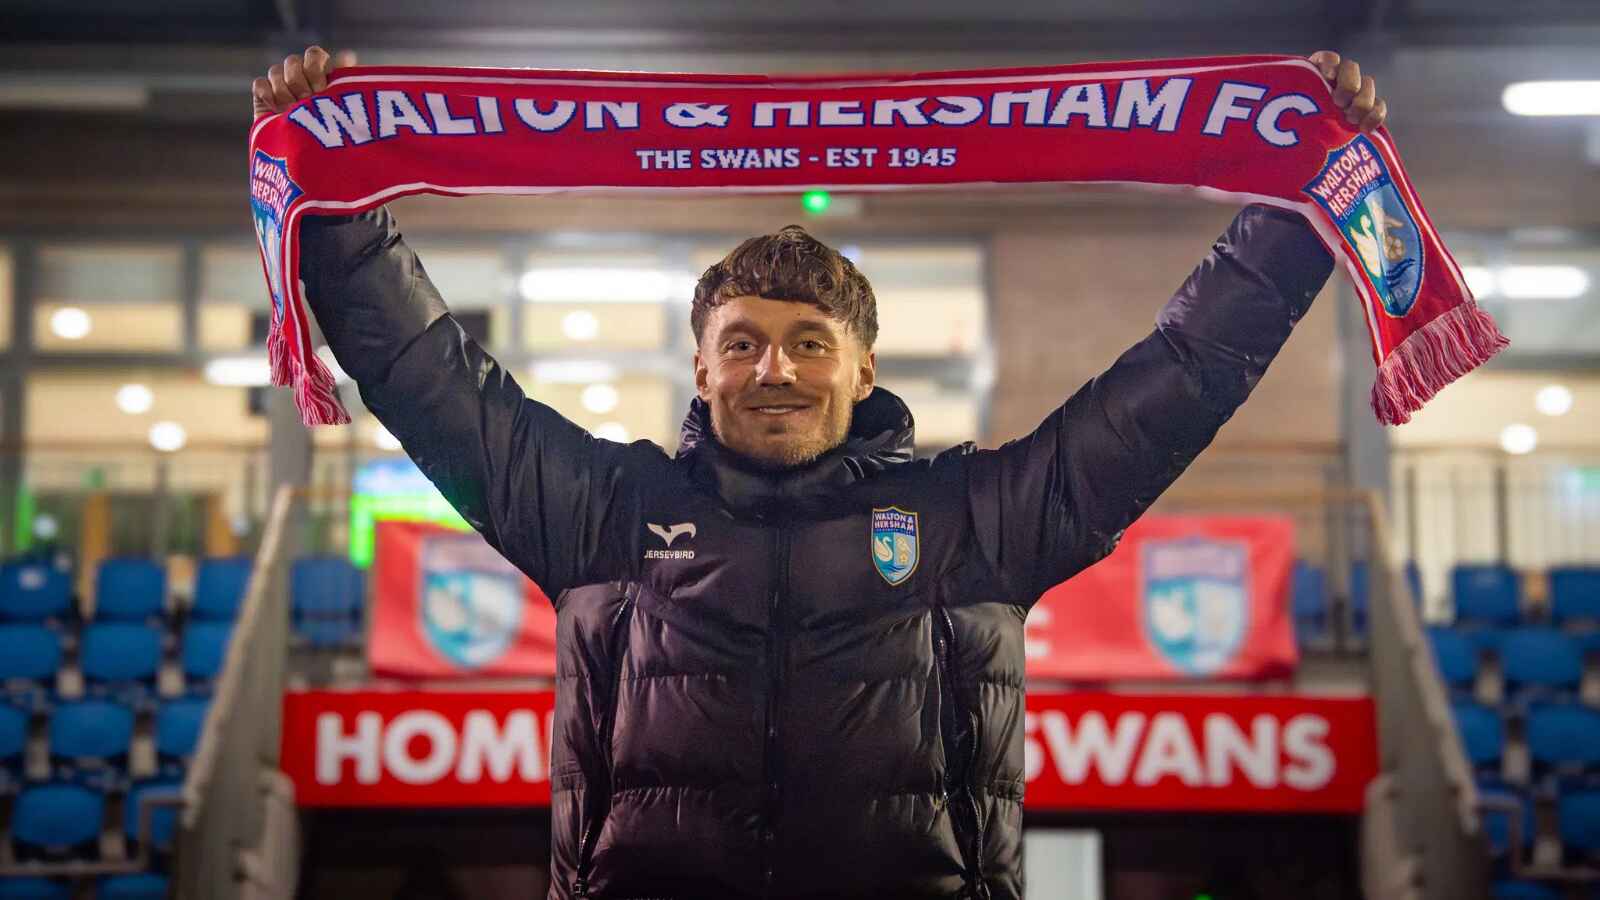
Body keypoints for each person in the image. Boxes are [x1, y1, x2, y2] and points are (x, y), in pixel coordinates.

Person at [256, 47, 1387, 900]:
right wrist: (338, 216)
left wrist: (1290, 221)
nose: (774, 369)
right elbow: (430, 383)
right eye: (740, 343)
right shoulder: (607, 513)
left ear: (861, 369)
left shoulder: (968, 524)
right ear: (700, 371)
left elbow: (1173, 387)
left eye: (808, 343)